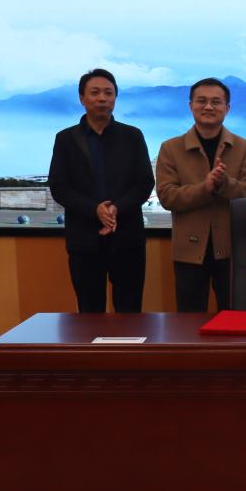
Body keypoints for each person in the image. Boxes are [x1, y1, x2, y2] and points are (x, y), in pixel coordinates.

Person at [48, 68, 154, 313]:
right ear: (82, 98)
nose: (102, 98)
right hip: (84, 241)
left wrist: (116, 208)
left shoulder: (132, 136)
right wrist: (94, 209)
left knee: (130, 312)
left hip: (128, 239)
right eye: (95, 93)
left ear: (115, 98)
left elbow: (144, 183)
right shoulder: (66, 139)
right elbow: (59, 187)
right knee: (89, 312)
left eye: (109, 93)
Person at [155, 77, 246, 312]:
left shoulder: (245, 147)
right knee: (188, 319)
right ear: (191, 106)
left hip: (233, 250)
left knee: (234, 318)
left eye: (216, 102)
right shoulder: (170, 148)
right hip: (188, 251)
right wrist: (205, 187)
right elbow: (167, 196)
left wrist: (225, 184)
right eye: (201, 101)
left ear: (227, 108)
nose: (208, 107)